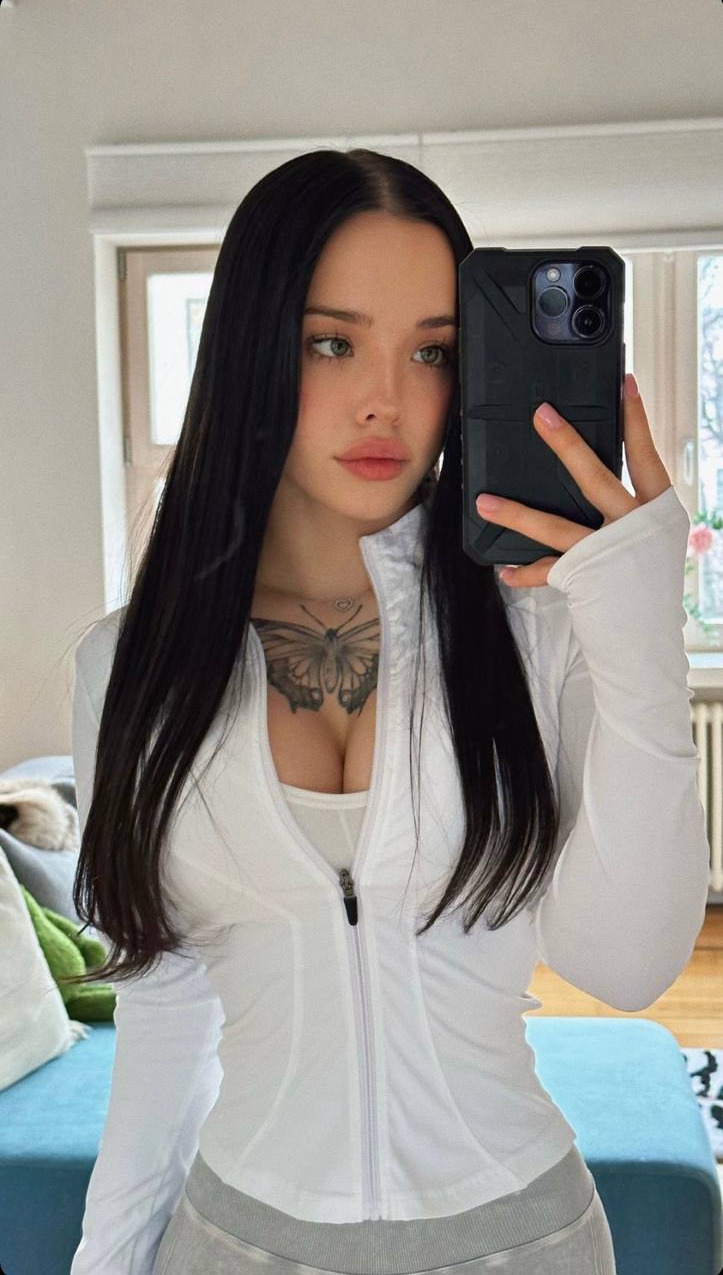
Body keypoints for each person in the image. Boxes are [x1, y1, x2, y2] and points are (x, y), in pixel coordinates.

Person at [67, 148, 709, 1274]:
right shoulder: (129, 668)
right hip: (234, 1244)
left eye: (433, 352)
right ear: (251, 350)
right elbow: (165, 1016)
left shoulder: (537, 628)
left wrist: (641, 629)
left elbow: (625, 964)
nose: (387, 399)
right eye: (333, 342)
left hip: (521, 1240)